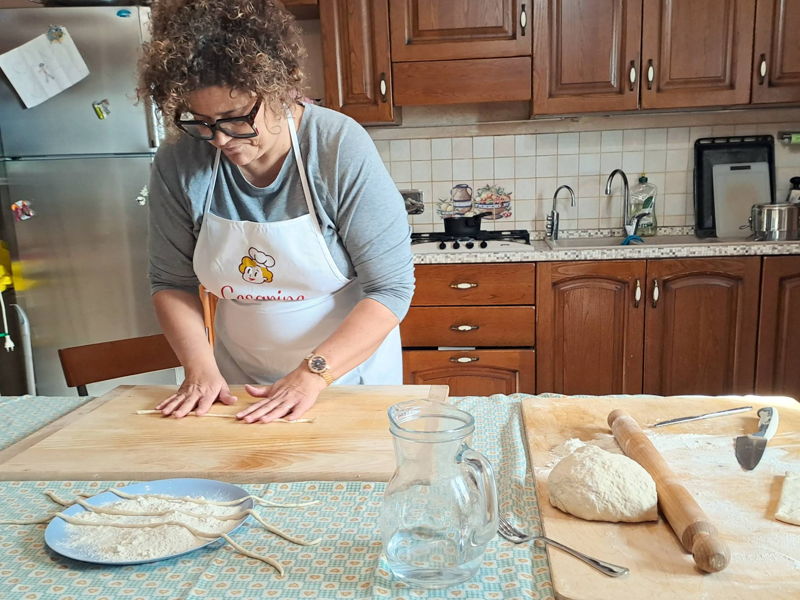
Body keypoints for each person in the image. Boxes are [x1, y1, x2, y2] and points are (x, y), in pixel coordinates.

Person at [138, 0, 414, 423]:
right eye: (201, 120)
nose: (218, 139)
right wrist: (200, 369)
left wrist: (311, 374)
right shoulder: (179, 159)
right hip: (237, 385)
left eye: (233, 119)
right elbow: (170, 281)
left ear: (279, 89)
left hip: (345, 380)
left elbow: (390, 290)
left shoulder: (335, 146)